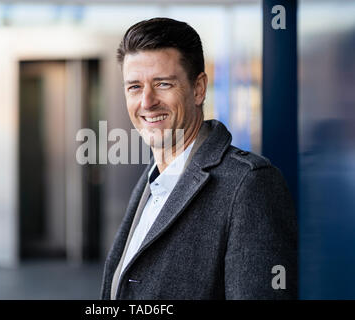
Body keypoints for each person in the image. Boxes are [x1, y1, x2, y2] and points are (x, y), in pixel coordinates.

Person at [100, 17, 297, 300]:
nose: (146, 102)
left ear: (199, 89)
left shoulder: (250, 185)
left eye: (163, 84)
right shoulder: (151, 179)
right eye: (134, 87)